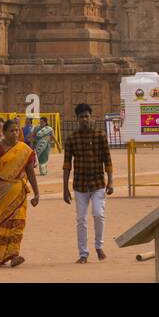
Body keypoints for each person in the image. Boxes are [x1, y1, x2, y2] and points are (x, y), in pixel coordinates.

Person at [62, 103, 114, 264]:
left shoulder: (100, 136)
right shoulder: (72, 138)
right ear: (77, 119)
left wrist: (111, 181)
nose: (85, 119)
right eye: (81, 117)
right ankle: (83, 253)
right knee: (81, 219)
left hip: (98, 183)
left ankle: (99, 246)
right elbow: (67, 165)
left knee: (99, 214)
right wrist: (64, 188)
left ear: (91, 117)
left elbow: (108, 160)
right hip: (80, 185)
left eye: (87, 116)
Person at [0, 119, 39, 267]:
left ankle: (13, 254)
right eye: (11, 131)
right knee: (5, 223)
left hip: (20, 191)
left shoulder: (24, 149)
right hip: (3, 192)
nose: (15, 133)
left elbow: (30, 172)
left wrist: (37, 193)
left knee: (19, 223)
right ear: (4, 133)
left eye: (17, 130)